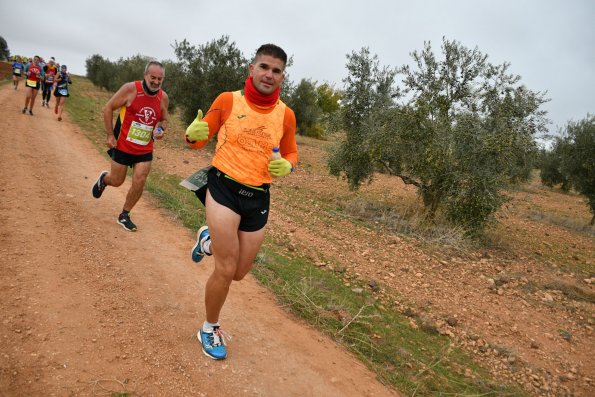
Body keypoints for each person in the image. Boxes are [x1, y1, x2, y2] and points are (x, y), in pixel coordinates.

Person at [185, 44, 297, 360]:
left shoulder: (285, 114)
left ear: (282, 76)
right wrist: (193, 135)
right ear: (251, 68)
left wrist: (288, 165)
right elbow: (198, 139)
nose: (268, 74)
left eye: (276, 70)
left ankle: (208, 240)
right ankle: (209, 328)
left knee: (240, 272)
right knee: (225, 269)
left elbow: (290, 152)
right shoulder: (228, 101)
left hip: (258, 197)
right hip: (223, 188)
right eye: (264, 67)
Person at [91, 61, 169, 231]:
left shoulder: (163, 97)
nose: (156, 82)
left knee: (140, 179)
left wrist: (161, 129)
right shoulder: (130, 89)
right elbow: (108, 108)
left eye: (160, 79)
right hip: (123, 144)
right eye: (153, 78)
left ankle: (124, 214)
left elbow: (164, 119)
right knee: (117, 181)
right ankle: (105, 180)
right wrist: (110, 134)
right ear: (145, 75)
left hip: (145, 148)